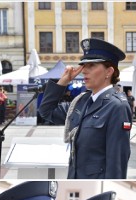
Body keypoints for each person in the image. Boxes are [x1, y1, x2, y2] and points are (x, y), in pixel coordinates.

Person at [39, 38, 131, 179]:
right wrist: (63, 82)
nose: (84, 71)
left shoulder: (116, 106)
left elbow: (116, 163)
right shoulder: (82, 101)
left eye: (91, 66)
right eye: (83, 66)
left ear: (109, 71)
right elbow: (46, 111)